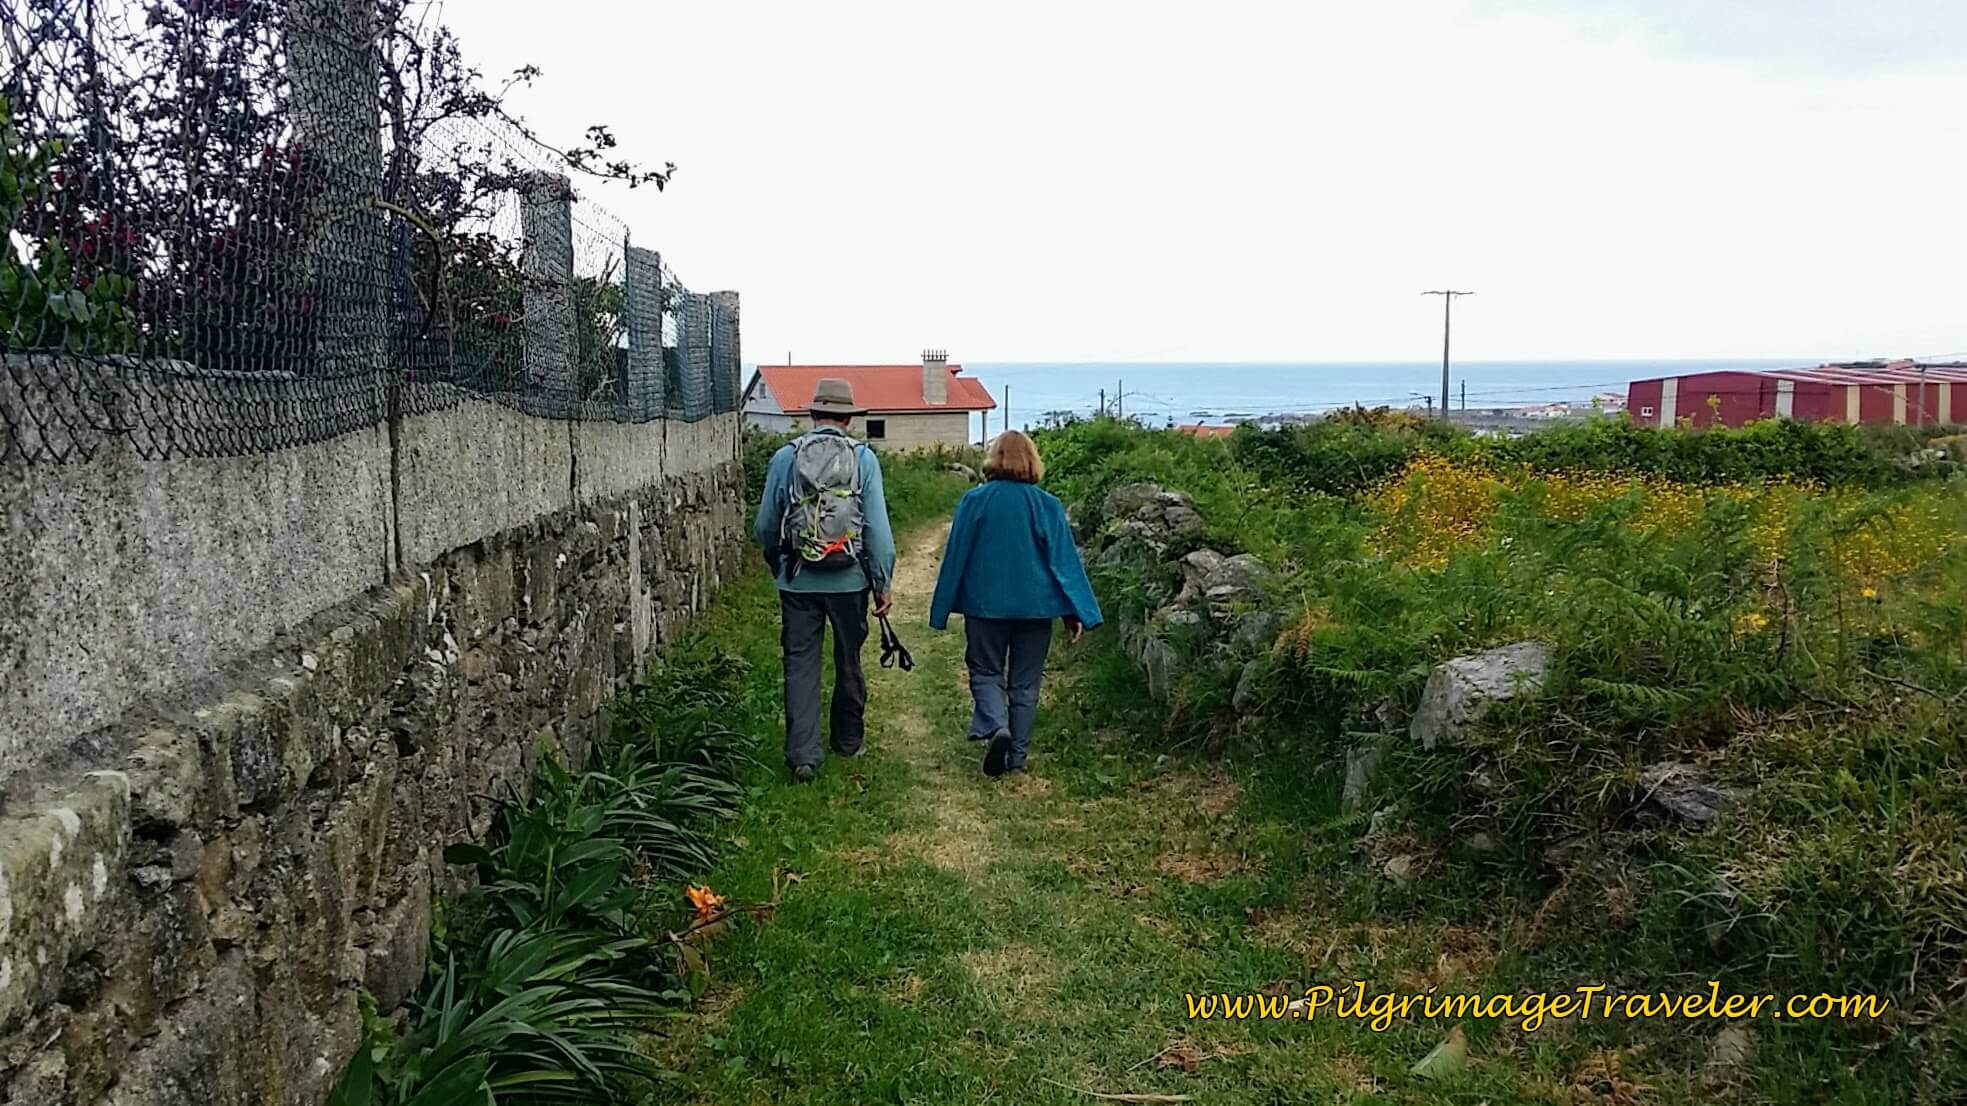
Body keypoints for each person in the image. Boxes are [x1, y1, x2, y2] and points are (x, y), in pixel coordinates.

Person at [929, 430, 1102, 777]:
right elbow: (1064, 563)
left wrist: (942, 608)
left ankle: (996, 726)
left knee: (985, 671)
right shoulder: (1047, 505)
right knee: (1026, 682)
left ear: (994, 459)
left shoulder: (974, 501)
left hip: (985, 606)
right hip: (1037, 607)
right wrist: (1074, 612)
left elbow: (956, 554)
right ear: (1032, 461)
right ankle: (1017, 760)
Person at [754, 379, 896, 783]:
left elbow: (765, 524)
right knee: (848, 659)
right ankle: (848, 740)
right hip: (850, 580)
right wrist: (882, 582)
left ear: (812, 415)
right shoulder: (863, 460)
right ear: (849, 418)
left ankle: (803, 756)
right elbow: (879, 533)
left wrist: (776, 562)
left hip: (798, 580)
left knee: (800, 663)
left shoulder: (785, 458)